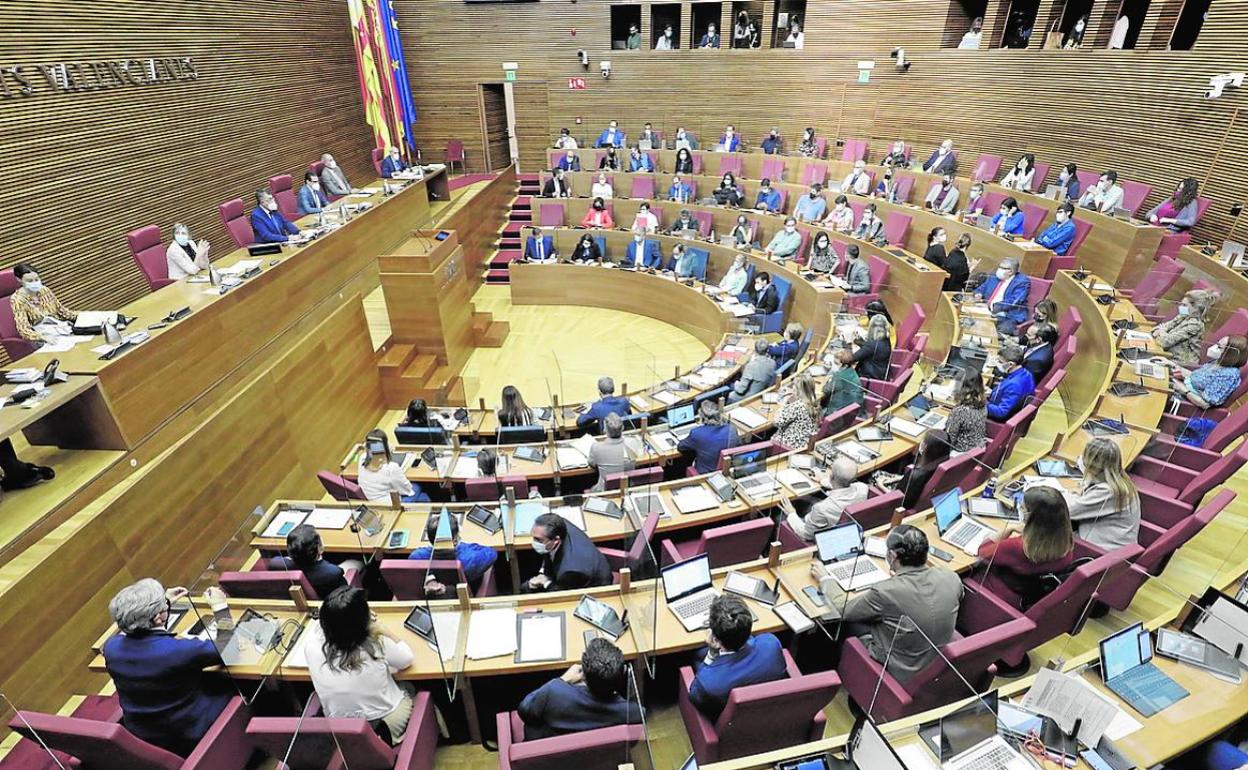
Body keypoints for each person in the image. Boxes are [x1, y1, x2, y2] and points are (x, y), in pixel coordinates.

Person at [813, 524, 962, 681]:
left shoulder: (886, 592)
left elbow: (843, 609)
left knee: (842, 624)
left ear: (892, 556)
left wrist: (825, 578)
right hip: (937, 661)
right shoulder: (951, 576)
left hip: (901, 669)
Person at [102, 580, 233, 755]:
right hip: (189, 732)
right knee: (241, 682)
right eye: (162, 607)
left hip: (145, 735)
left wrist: (165, 602)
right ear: (158, 618)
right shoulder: (178, 651)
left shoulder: (111, 647)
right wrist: (220, 606)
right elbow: (229, 650)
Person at [305, 587, 416, 745]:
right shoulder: (376, 644)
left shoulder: (311, 647)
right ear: (362, 622)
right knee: (410, 687)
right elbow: (406, 659)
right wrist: (384, 630)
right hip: (382, 722)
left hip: (340, 727)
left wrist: (345, 619)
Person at [519, 638, 642, 740]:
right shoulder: (631, 713)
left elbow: (525, 710)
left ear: (583, 672)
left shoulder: (554, 693)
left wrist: (563, 679)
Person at [974, 487, 1075, 609]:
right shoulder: (1066, 544)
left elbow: (983, 551)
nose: (1019, 509)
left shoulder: (1017, 547)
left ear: (1032, 516)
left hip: (994, 598)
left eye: (1022, 507)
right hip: (1026, 598)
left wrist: (1009, 528)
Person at [688, 594, 786, 720]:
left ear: (716, 640)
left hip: (727, 722)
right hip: (768, 716)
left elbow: (694, 695)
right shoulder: (772, 644)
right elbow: (755, 640)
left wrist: (711, 654)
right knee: (698, 654)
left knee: (697, 655)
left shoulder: (709, 684)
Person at [1063, 438, 1140, 550]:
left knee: (1046, 525)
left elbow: (1067, 511)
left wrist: (1062, 493)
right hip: (1109, 544)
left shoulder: (1108, 492)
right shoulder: (1119, 481)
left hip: (1099, 552)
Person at [787, 457, 868, 542]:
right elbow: (846, 486)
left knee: (779, 516)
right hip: (846, 529)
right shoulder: (863, 489)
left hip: (823, 537)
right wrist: (822, 480)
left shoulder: (821, 508)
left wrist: (791, 513)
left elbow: (806, 534)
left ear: (831, 476)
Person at [527, 513, 612, 591]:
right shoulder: (558, 524)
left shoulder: (570, 571)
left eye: (538, 540)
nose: (533, 542)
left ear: (556, 539)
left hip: (594, 588)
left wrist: (546, 582)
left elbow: (561, 593)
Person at [270, 525, 349, 598]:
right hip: (329, 599)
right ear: (319, 549)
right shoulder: (333, 573)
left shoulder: (276, 563)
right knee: (356, 562)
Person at [1173, 335, 1246, 408]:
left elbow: (1205, 404)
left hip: (1186, 402)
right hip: (1180, 388)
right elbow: (1196, 376)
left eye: (1219, 347)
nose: (1214, 347)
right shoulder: (1219, 362)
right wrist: (1172, 365)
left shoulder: (1228, 376)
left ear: (1230, 354)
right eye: (1217, 343)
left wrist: (1182, 389)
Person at [10, 262, 78, 342]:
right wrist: (41, 337)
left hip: (60, 328)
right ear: (19, 280)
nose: (34, 282)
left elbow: (62, 311)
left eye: (37, 279)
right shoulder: (18, 299)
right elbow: (23, 329)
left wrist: (81, 316)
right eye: (29, 281)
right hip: (42, 337)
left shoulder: (45, 290)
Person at [1151, 289, 1213, 366]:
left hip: (1179, 364)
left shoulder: (1195, 325)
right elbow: (1157, 329)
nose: (1181, 307)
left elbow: (1165, 342)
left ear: (1196, 309)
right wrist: (1162, 332)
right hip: (1166, 354)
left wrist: (1161, 332)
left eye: (1184, 305)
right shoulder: (1183, 315)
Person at [358, 439, 429, 503]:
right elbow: (407, 491)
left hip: (370, 499)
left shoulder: (362, 458)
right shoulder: (391, 467)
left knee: (422, 497)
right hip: (390, 503)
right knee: (417, 487)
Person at [679, 400, 738, 473]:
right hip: (727, 469)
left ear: (702, 418)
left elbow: (681, 447)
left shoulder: (697, 433)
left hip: (706, 473)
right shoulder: (732, 428)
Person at [975, 257, 1032, 334]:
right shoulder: (994, 276)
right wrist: (978, 294)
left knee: (991, 330)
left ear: (1010, 271)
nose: (999, 269)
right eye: (999, 266)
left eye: (1002, 268)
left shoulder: (1022, 282)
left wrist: (993, 306)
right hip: (985, 309)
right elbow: (982, 288)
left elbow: (1014, 301)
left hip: (1008, 316)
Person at [898, 431, 951, 510]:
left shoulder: (914, 476)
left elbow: (897, 499)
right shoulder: (943, 465)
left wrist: (880, 484)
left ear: (924, 447)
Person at [587, 412, 636, 492]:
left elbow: (592, 463)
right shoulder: (633, 443)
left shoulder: (596, 447)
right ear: (622, 428)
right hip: (628, 488)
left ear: (605, 429)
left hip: (604, 491)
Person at [986, 345, 1035, 420]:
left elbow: (1001, 412)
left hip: (1000, 417)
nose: (998, 363)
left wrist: (983, 403)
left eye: (1000, 362)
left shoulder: (1014, 384)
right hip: (1001, 403)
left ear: (1011, 364)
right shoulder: (1026, 373)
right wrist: (992, 392)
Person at [773, 373, 820, 450]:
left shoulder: (797, 406)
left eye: (793, 387)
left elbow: (776, 422)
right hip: (804, 442)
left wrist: (785, 404)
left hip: (789, 445)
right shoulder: (815, 403)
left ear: (798, 390)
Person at [945, 376, 987, 452]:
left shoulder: (959, 411)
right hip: (976, 449)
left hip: (959, 453)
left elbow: (949, 441)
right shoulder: (982, 404)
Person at [728, 338, 777, 403]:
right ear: (767, 350)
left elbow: (740, 390)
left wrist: (736, 384)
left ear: (755, 351)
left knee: (728, 385)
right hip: (761, 391)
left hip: (750, 396)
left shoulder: (751, 366)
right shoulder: (772, 362)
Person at [822, 348, 865, 417]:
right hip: (855, 412)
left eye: (836, 363)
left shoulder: (839, 377)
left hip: (840, 414)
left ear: (844, 365)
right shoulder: (852, 372)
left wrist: (829, 380)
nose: (834, 365)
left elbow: (825, 390)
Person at [852, 314, 892, 380]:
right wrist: (860, 342)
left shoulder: (872, 345)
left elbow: (853, 358)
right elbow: (870, 350)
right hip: (881, 373)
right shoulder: (886, 339)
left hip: (869, 377)